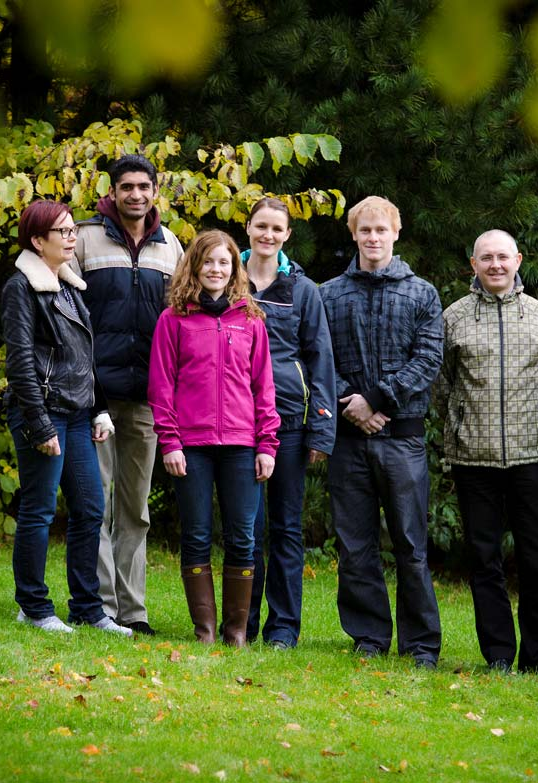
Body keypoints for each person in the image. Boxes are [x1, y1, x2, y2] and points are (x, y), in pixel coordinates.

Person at [434, 229, 538, 684]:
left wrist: (536, 424)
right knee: (484, 558)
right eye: (486, 258)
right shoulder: (454, 317)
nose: (495, 265)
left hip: (531, 457)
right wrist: (460, 422)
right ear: (473, 264)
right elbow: (441, 385)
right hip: (472, 457)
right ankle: (498, 652)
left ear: (518, 260)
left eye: (503, 257)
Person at [318, 196, 443, 669]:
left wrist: (379, 400)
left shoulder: (422, 293)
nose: (373, 237)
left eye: (381, 230)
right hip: (349, 439)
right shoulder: (329, 294)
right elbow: (320, 359)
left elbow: (428, 358)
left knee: (411, 544)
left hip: (404, 438)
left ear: (396, 232)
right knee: (355, 545)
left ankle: (421, 644)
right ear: (353, 234)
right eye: (365, 230)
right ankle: (368, 635)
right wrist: (354, 405)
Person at [1, 199, 132, 637]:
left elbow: (84, 355)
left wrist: (100, 410)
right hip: (42, 412)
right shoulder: (21, 287)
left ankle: (88, 610)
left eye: (74, 229)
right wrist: (38, 425)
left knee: (90, 509)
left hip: (78, 415)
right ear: (38, 241)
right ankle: (34, 607)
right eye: (64, 232)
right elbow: (20, 360)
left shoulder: (71, 285)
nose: (73, 237)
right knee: (38, 511)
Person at [148, 230, 280, 647]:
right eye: (209, 262)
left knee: (243, 535)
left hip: (243, 445)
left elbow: (264, 387)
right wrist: (169, 442)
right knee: (197, 534)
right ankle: (205, 631)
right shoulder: (174, 319)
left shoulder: (251, 320)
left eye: (224, 263)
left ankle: (236, 632)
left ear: (234, 269)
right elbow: (161, 385)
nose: (216, 270)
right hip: (191, 445)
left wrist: (267, 445)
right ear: (195, 267)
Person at [72, 154, 183, 636]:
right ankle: (100, 608)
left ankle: (132, 612)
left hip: (145, 399)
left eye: (144, 186)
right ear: (112, 191)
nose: (135, 194)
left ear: (156, 192)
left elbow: (181, 317)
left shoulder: (171, 246)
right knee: (95, 503)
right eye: (126, 187)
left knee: (135, 508)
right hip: (93, 397)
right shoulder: (85, 237)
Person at [241, 197, 337, 649]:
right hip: (236, 422)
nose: (268, 235)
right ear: (247, 228)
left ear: (287, 235)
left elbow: (321, 362)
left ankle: (282, 629)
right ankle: (242, 622)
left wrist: (322, 429)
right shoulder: (227, 280)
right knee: (247, 529)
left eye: (276, 229)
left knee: (285, 528)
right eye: (261, 226)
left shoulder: (303, 291)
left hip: (290, 425)